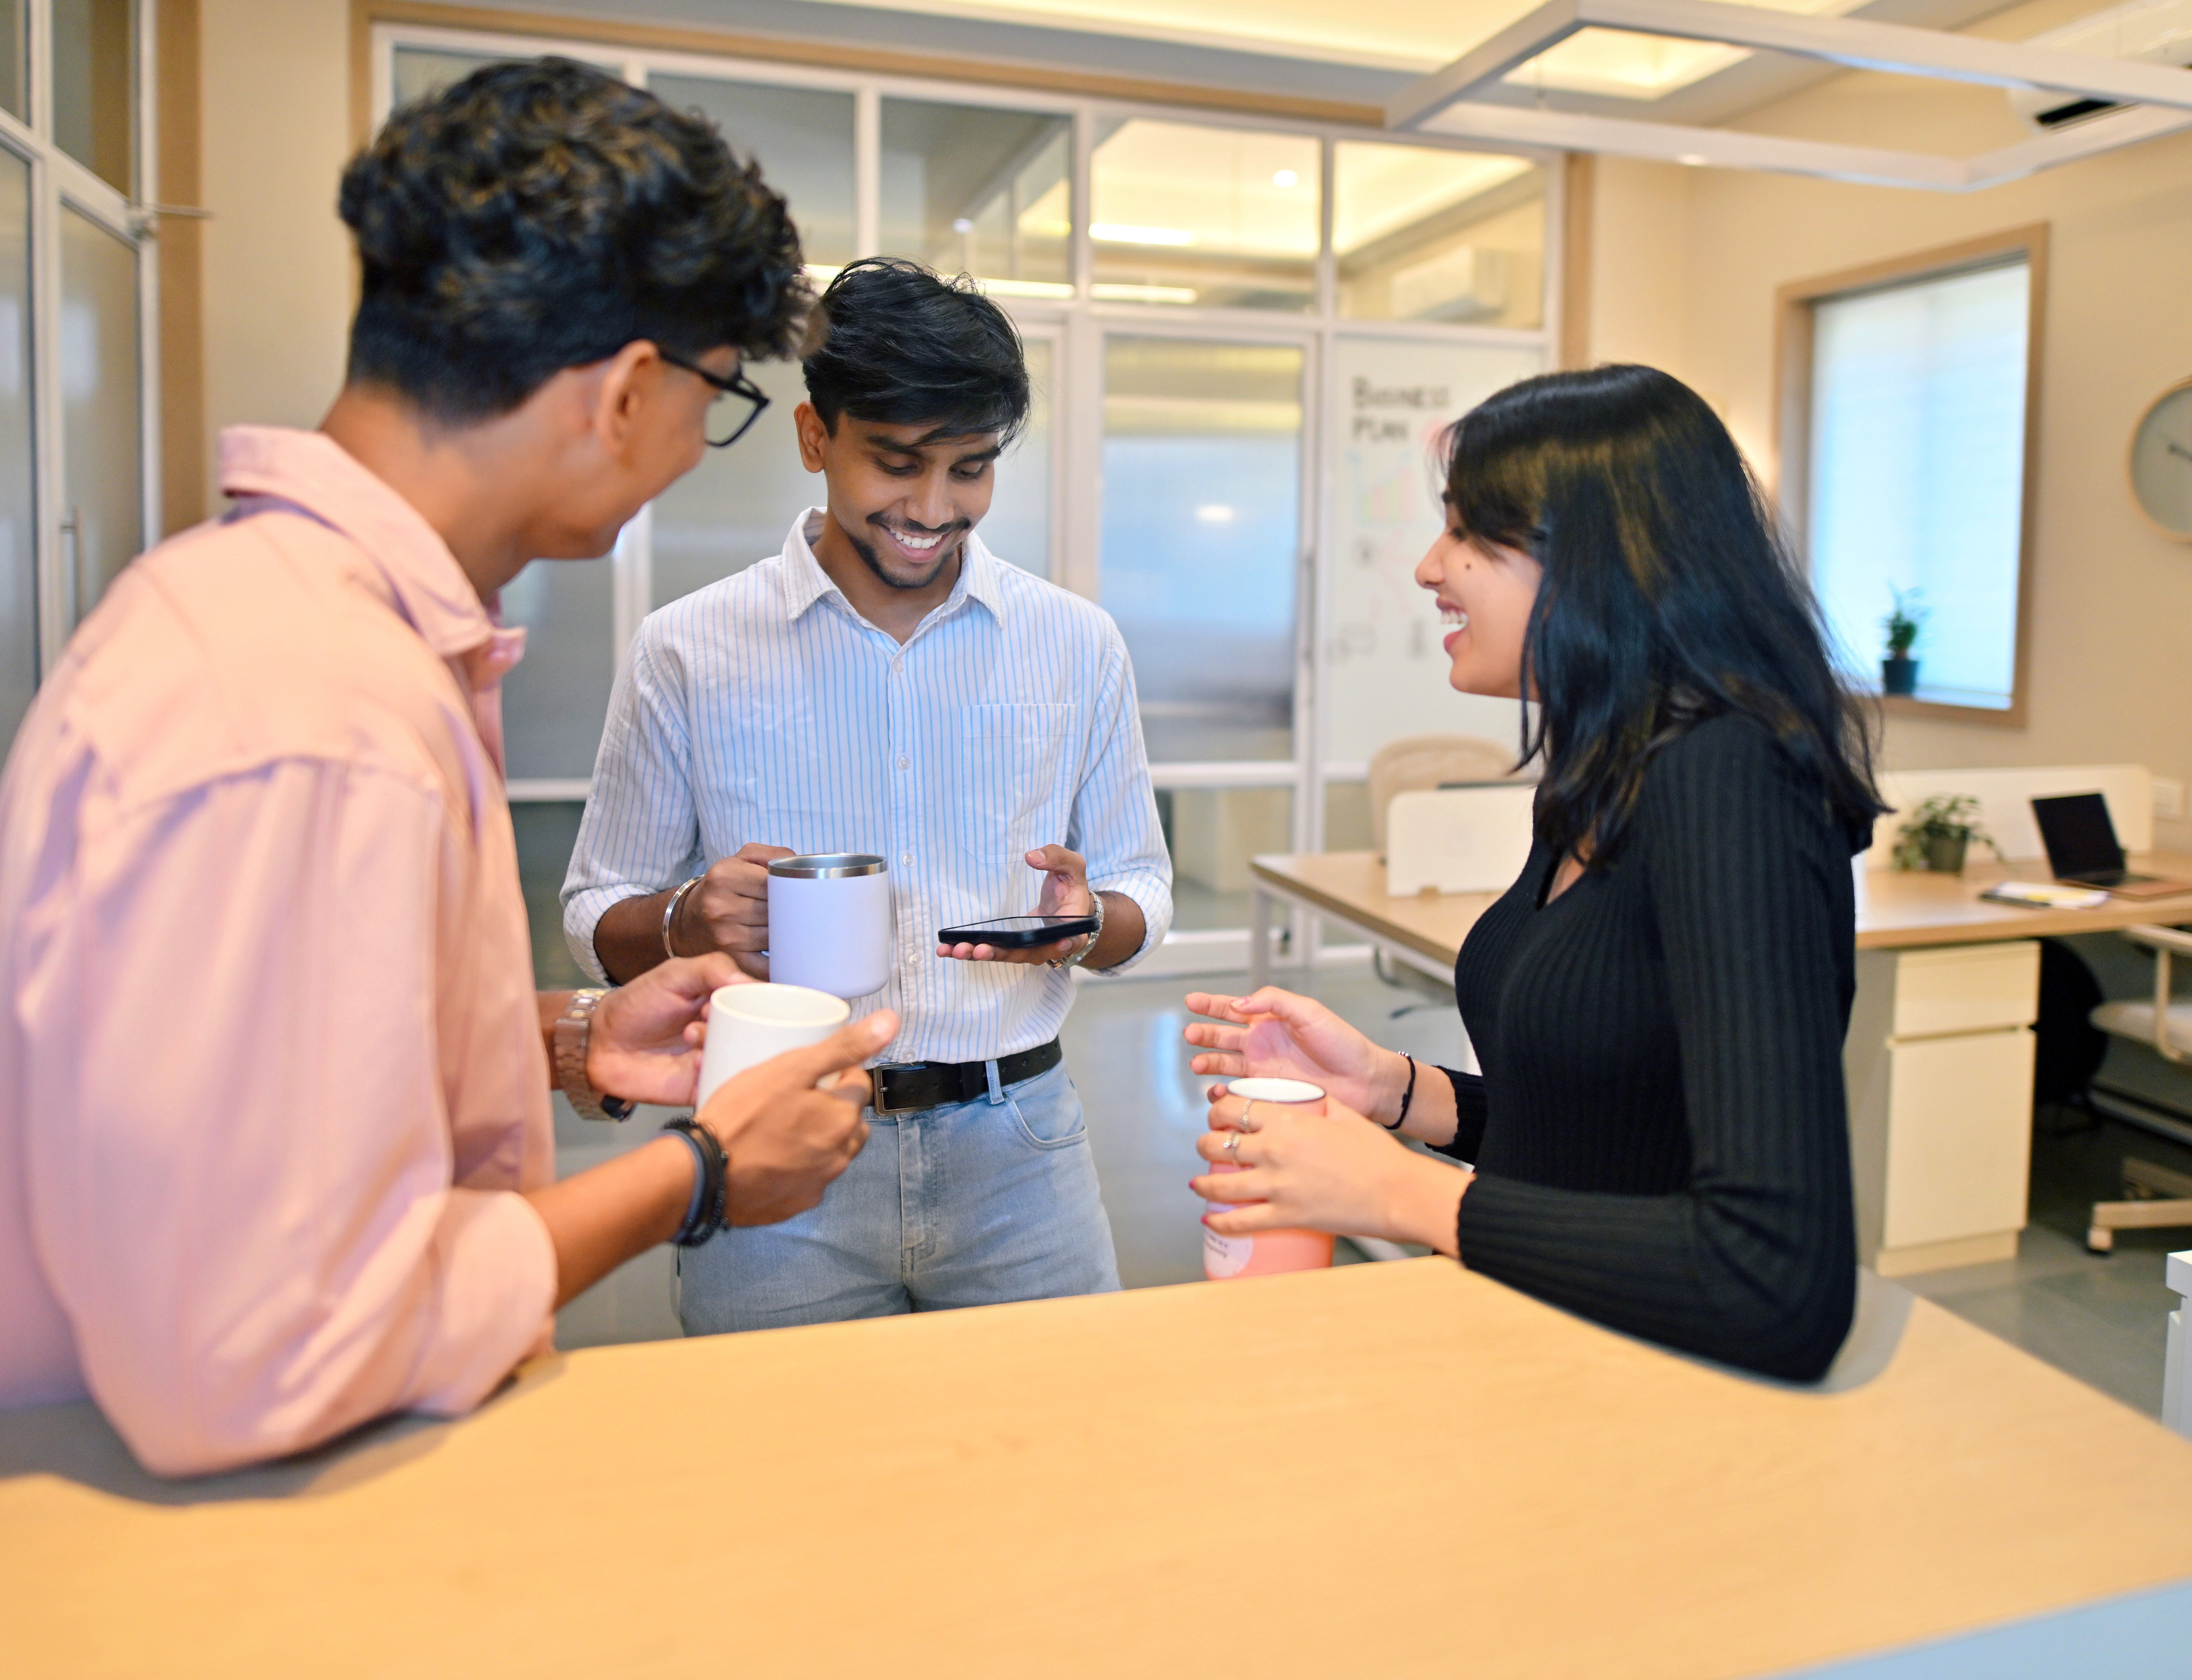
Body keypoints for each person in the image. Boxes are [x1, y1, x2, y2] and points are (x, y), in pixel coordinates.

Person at [0, 59, 897, 1477]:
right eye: (717, 398)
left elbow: (250, 1089)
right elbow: (265, 1349)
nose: (698, 450)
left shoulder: (258, 619)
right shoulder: (312, 715)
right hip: (242, 1531)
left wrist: (566, 1039)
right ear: (626, 391)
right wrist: (701, 1172)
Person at [1182, 364, 1882, 1382]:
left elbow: (1776, 1277)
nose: (1430, 567)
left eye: (1468, 533)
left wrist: (1394, 1192)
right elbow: (1598, 1134)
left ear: (1598, 557)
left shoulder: (1732, 780)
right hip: (1534, 1354)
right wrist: (1394, 1091)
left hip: (1651, 1396)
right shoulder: (1602, 778)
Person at [564, 258, 1173, 1334]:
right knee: (781, 1440)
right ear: (815, 438)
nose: (933, 510)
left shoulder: (1076, 644)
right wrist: (684, 920)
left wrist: (1086, 925)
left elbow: (1141, 892)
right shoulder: (688, 649)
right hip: (773, 1133)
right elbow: (594, 916)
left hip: (1020, 1143)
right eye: (896, 463)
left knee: (1064, 1433)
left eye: (971, 470)